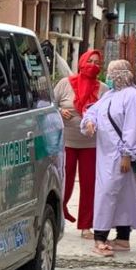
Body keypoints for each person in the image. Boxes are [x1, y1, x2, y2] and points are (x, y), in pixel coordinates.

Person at [81, 60, 136, 256]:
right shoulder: (110, 95)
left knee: (108, 195)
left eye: (110, 73)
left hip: (120, 156)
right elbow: (92, 111)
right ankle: (122, 239)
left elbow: (134, 127)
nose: (107, 77)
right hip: (106, 156)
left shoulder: (133, 97)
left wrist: (127, 153)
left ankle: (101, 238)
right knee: (118, 196)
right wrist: (90, 121)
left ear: (119, 74)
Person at [52, 48, 108, 237]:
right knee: (64, 183)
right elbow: (49, 105)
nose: (93, 65)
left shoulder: (102, 89)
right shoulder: (64, 84)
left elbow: (108, 115)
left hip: (90, 144)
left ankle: (86, 225)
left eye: (97, 62)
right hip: (66, 142)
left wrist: (95, 121)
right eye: (90, 61)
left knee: (89, 184)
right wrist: (60, 111)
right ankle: (58, 217)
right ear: (81, 62)